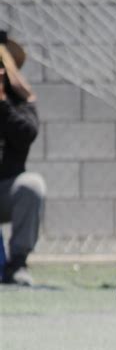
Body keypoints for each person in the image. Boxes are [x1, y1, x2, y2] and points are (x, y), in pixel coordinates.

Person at [0, 31, 46, 286]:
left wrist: (2, 105)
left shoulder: (20, 101)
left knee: (32, 185)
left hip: (5, 190)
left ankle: (18, 262)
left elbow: (27, 135)